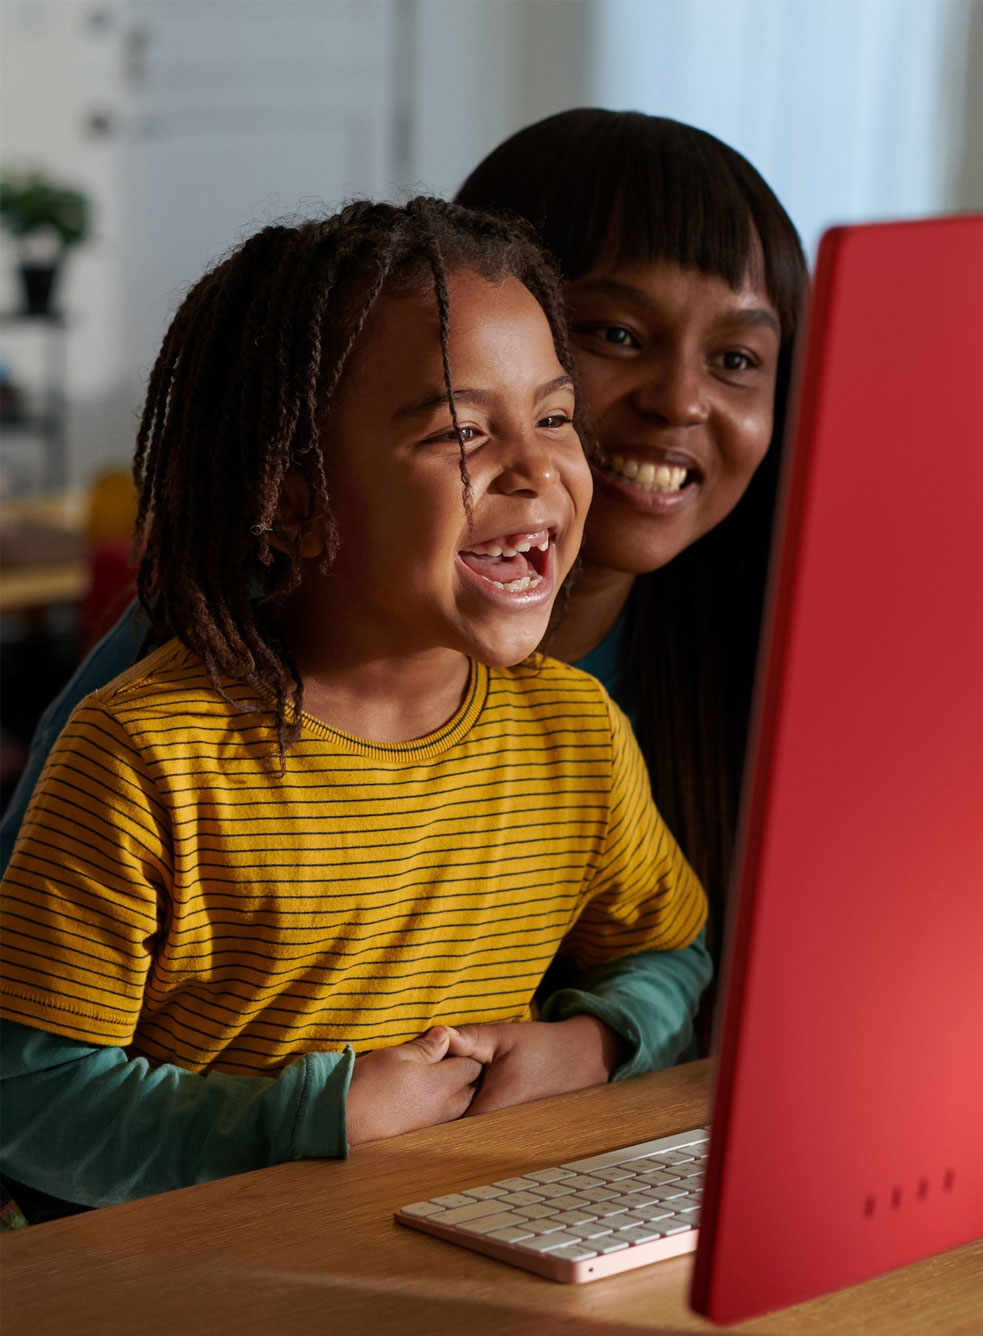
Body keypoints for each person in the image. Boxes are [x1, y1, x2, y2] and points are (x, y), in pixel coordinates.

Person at [0, 199, 710, 1217]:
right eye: (461, 432)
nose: (538, 468)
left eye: (555, 416)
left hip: (457, 1266)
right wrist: (310, 1119)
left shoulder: (577, 737)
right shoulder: (141, 759)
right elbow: (25, 1095)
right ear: (291, 499)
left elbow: (667, 946)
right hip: (170, 1315)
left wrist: (591, 1042)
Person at [2, 110, 809, 979]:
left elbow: (676, 964)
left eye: (736, 359)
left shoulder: (659, 699)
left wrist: (605, 1035)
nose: (681, 401)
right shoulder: (195, 676)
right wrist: (319, 1113)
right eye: (615, 335)